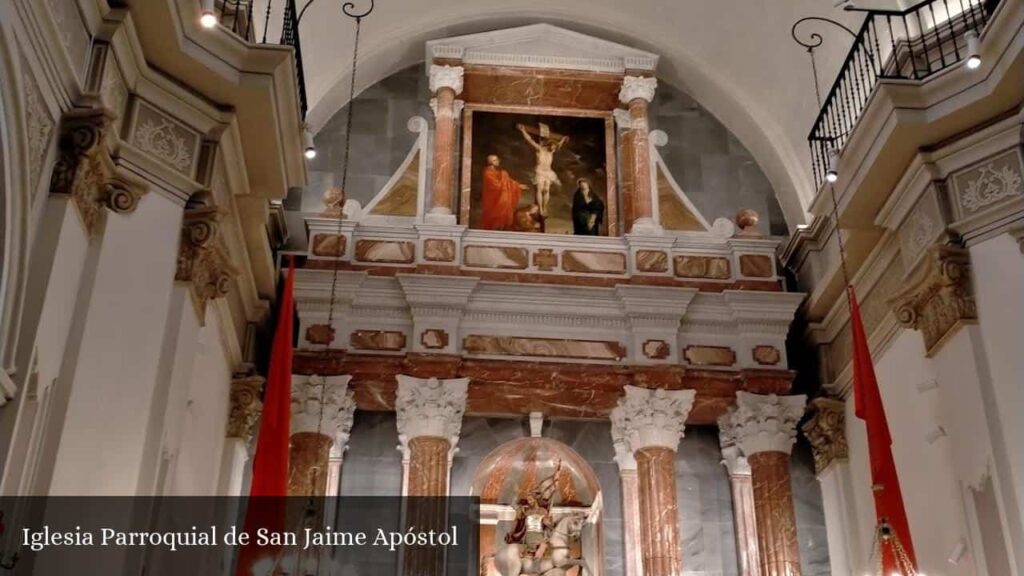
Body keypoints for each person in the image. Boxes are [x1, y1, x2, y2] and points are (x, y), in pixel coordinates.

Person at [517, 123, 568, 218]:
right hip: (540, 171)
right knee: (540, 189)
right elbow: (529, 140)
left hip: (548, 172)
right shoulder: (540, 149)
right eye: (552, 147)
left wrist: (563, 140)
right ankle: (540, 208)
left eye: (554, 148)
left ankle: (545, 207)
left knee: (546, 190)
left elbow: (559, 145)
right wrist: (523, 130)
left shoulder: (552, 151)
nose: (553, 149)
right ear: (549, 145)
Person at [480, 154, 527, 230]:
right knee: (495, 217)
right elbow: (496, 185)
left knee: (504, 211)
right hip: (494, 200)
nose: (498, 161)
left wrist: (518, 186)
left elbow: (508, 182)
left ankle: (501, 228)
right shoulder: (487, 173)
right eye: (496, 160)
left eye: (497, 159)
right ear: (491, 162)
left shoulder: (498, 172)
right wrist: (504, 176)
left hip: (501, 197)